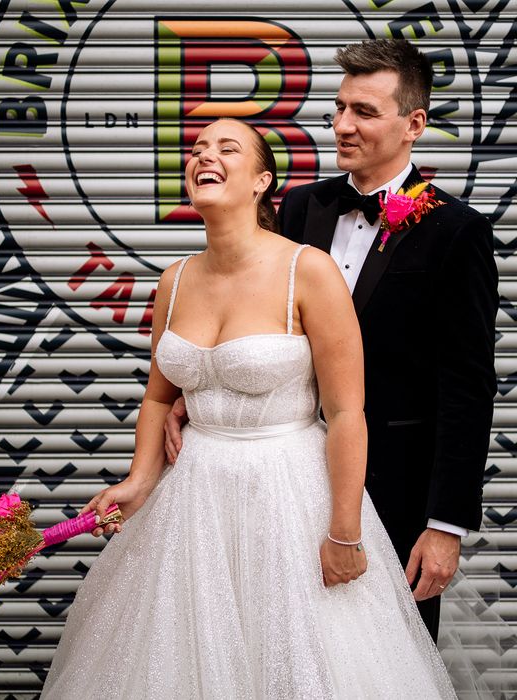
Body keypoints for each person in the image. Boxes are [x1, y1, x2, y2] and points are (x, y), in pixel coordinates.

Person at [41, 117, 455, 698]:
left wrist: (344, 530)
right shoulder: (174, 280)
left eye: (226, 148)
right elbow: (161, 397)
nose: (204, 156)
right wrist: (138, 479)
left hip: (289, 495)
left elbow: (345, 412)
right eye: (196, 148)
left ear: (262, 180)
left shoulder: (307, 270)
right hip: (192, 500)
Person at [165, 39, 499, 641]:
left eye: (365, 112)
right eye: (339, 108)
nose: (343, 125)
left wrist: (445, 523)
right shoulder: (297, 207)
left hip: (394, 487)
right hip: (274, 481)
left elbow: (468, 389)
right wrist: (200, 394)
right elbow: (251, 317)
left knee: (380, 653)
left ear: (414, 124)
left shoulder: (458, 232)